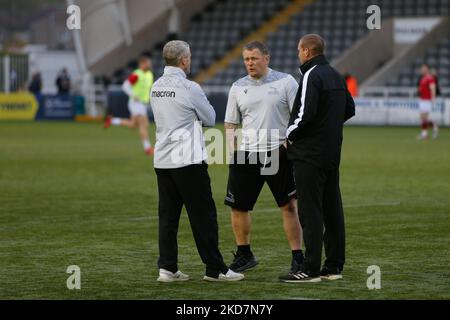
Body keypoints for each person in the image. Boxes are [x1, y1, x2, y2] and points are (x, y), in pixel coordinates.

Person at [150, 40, 244, 282]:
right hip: (188, 160)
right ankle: (216, 269)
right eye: (189, 57)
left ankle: (167, 268)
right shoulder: (190, 88)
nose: (189, 61)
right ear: (183, 60)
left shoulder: (156, 86)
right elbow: (211, 118)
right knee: (203, 216)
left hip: (163, 159)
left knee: (168, 218)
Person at [279, 34, 355, 283]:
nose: (298, 54)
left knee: (310, 212)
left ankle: (309, 269)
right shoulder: (335, 74)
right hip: (331, 154)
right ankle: (333, 266)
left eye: (299, 50)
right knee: (333, 210)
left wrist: (288, 135)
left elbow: (304, 114)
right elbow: (349, 108)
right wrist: (328, 129)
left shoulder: (311, 74)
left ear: (307, 51)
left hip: (308, 155)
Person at [224, 41, 304, 274]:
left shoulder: (286, 82)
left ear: (266, 58)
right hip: (246, 155)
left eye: (254, 58)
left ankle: (298, 257)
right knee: (238, 207)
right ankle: (244, 254)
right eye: (247, 59)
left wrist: (290, 143)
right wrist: (233, 153)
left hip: (277, 154)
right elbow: (230, 123)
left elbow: (299, 116)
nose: (250, 63)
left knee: (288, 206)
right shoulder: (238, 87)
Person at [104, 55, 155, 155]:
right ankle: (148, 149)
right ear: (142, 64)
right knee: (143, 125)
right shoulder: (137, 74)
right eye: (147, 63)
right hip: (136, 103)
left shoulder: (149, 74)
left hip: (143, 104)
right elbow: (125, 86)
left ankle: (112, 120)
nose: (149, 64)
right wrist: (133, 95)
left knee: (133, 125)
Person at [417, 64, 439, 140]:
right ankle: (433, 126)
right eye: (422, 69)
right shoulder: (423, 78)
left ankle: (425, 134)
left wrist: (433, 97)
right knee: (422, 118)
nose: (422, 70)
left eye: (424, 69)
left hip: (427, 100)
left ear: (427, 70)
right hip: (422, 99)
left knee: (424, 118)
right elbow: (421, 88)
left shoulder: (430, 78)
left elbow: (433, 87)